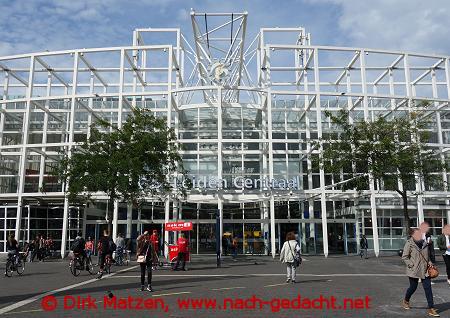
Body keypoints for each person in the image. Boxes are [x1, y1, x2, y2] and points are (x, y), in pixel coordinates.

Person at [401, 228, 439, 317]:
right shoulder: (409, 243)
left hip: (425, 270)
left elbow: (427, 256)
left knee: (428, 288)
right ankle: (406, 300)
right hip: (414, 270)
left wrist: (429, 262)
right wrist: (411, 265)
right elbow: (404, 257)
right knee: (413, 287)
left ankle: (431, 308)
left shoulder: (424, 243)